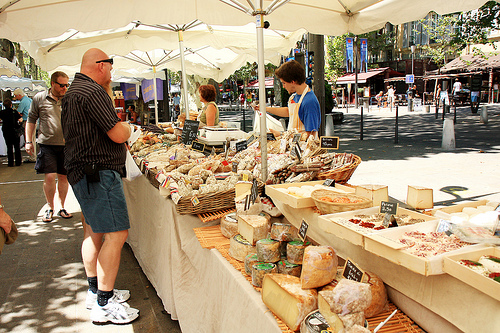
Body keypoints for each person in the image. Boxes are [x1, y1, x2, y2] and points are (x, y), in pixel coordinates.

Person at [61, 48, 138, 325]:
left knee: (93, 232)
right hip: (98, 174)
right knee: (117, 235)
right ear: (101, 66)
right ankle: (104, 305)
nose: (112, 73)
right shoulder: (93, 92)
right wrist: (129, 128)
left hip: (83, 172)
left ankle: (95, 292)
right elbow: (117, 133)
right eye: (111, 66)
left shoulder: (72, 92)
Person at [25, 71, 73, 222]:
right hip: (47, 144)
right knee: (50, 176)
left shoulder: (69, 98)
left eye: (67, 85)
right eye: (61, 85)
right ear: (52, 83)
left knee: (63, 177)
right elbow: (31, 119)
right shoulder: (40, 97)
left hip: (66, 145)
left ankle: (62, 207)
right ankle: (50, 207)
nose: (64, 88)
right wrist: (28, 141)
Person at [256, 60, 320, 138]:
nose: (283, 86)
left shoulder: (309, 102)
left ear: (293, 82)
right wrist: (265, 109)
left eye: (284, 83)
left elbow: (310, 135)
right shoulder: (295, 96)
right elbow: (289, 111)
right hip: (293, 145)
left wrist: (282, 134)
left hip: (304, 148)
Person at [0, 99, 22, 167]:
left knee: (9, 147)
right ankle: (18, 162)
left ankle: (10, 163)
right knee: (17, 147)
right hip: (14, 130)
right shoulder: (14, 112)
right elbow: (20, 119)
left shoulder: (2, 112)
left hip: (6, 130)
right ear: (11, 105)